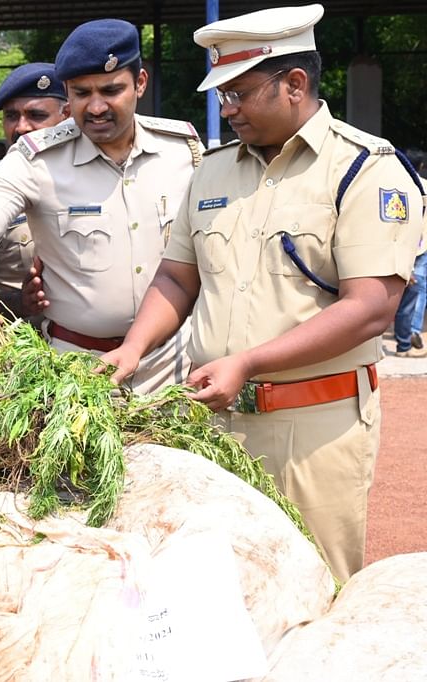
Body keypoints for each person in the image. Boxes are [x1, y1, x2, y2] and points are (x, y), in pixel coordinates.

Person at [100, 4, 423, 581]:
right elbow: (178, 276)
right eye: (222, 94)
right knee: (219, 588)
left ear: (295, 83)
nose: (227, 109)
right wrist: (133, 348)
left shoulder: (364, 170)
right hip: (214, 424)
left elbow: (371, 307)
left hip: (314, 429)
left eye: (240, 93)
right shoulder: (213, 171)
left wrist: (246, 363)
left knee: (315, 585)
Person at [0, 19, 203, 394]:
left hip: (172, 366)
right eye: (82, 93)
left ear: (140, 83)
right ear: (66, 91)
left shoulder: (183, 152)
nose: (96, 107)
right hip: (77, 370)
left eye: (111, 90)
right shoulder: (35, 160)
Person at [0, 62, 69, 319]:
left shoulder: (95, 179)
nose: (21, 127)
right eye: (11, 116)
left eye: (36, 115)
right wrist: (20, 302)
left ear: (67, 116)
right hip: (20, 348)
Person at [392, 148, 427, 357]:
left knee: (395, 293)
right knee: (416, 293)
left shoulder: (395, 185)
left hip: (397, 246)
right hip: (420, 248)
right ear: (421, 166)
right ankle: (409, 338)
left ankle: (405, 341)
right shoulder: (424, 186)